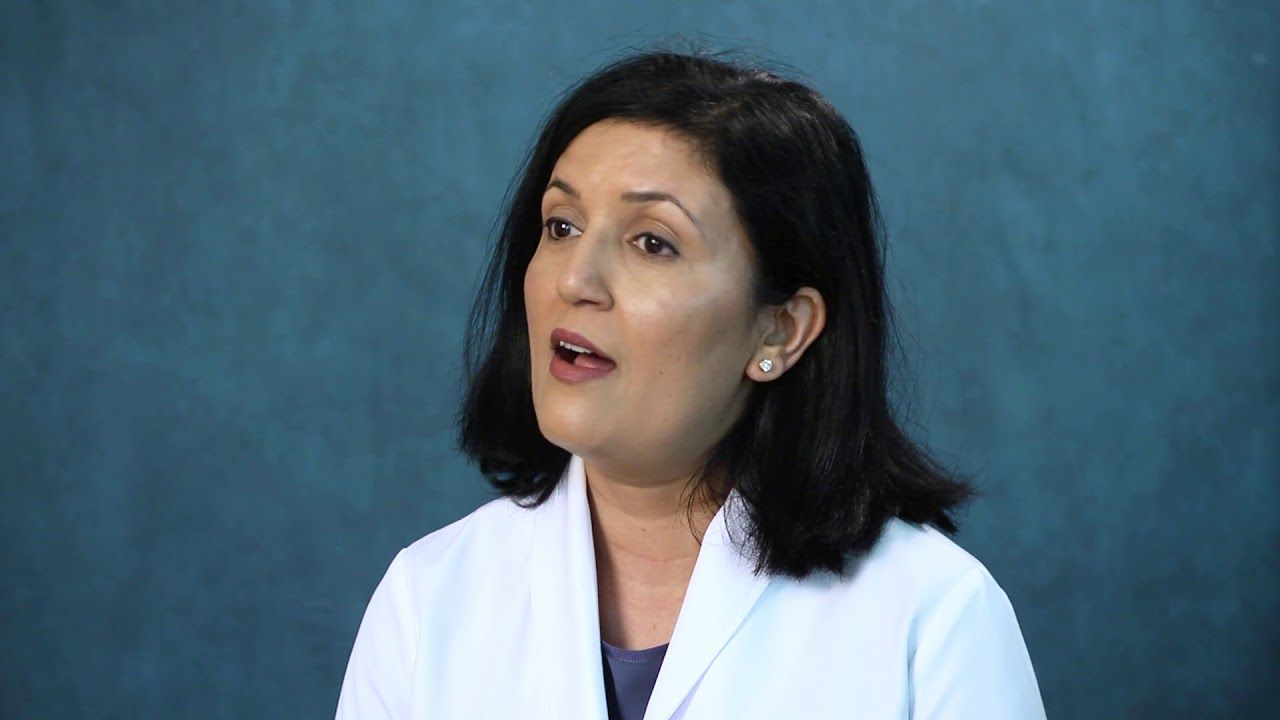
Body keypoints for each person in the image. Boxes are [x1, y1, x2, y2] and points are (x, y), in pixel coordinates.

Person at [335, 48, 1046, 719]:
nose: (575, 280)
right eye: (561, 226)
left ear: (780, 330)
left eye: (653, 242)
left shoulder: (932, 617)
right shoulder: (427, 601)